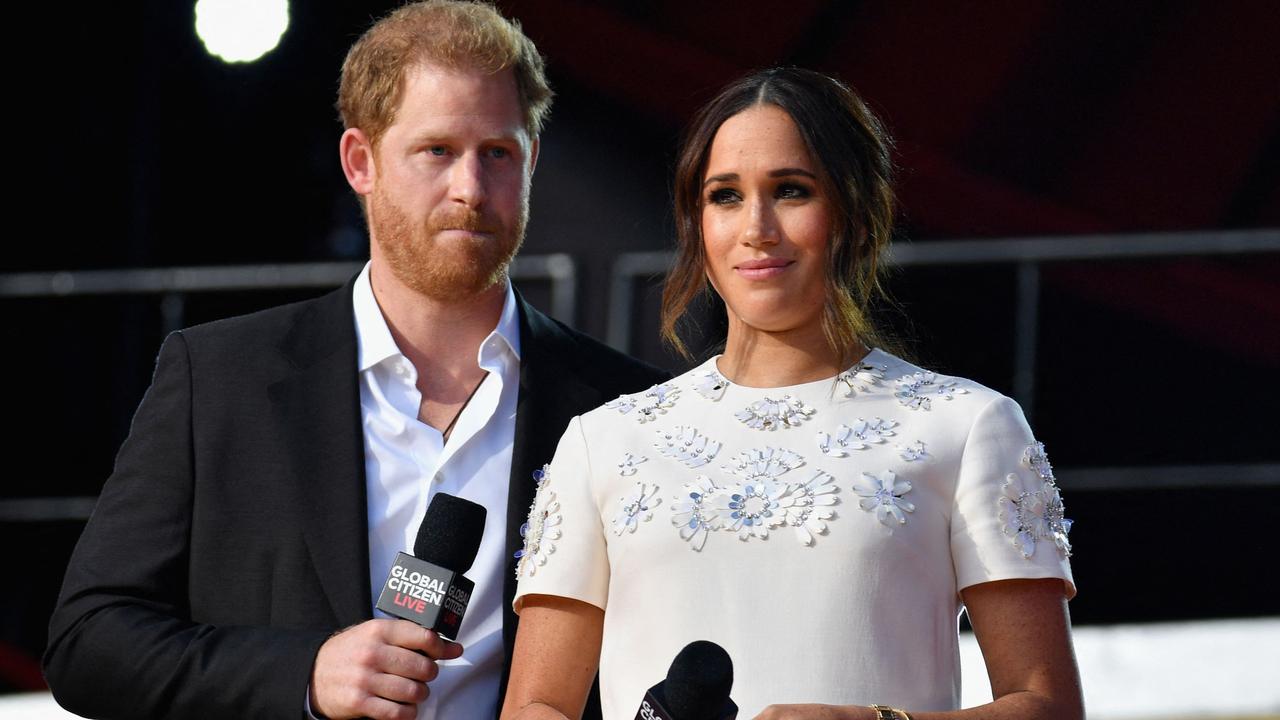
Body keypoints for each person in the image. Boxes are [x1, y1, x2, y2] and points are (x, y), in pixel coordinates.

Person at [42, 2, 665, 719]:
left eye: (498, 152)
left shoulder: (622, 408)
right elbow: (88, 642)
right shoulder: (220, 379)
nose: (470, 188)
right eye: (437, 151)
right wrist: (304, 675)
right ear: (360, 161)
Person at [501, 68, 1082, 720]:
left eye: (791, 191)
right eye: (725, 196)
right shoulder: (605, 441)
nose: (757, 227)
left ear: (856, 215)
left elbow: (1048, 706)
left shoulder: (969, 426)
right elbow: (537, 705)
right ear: (695, 224)